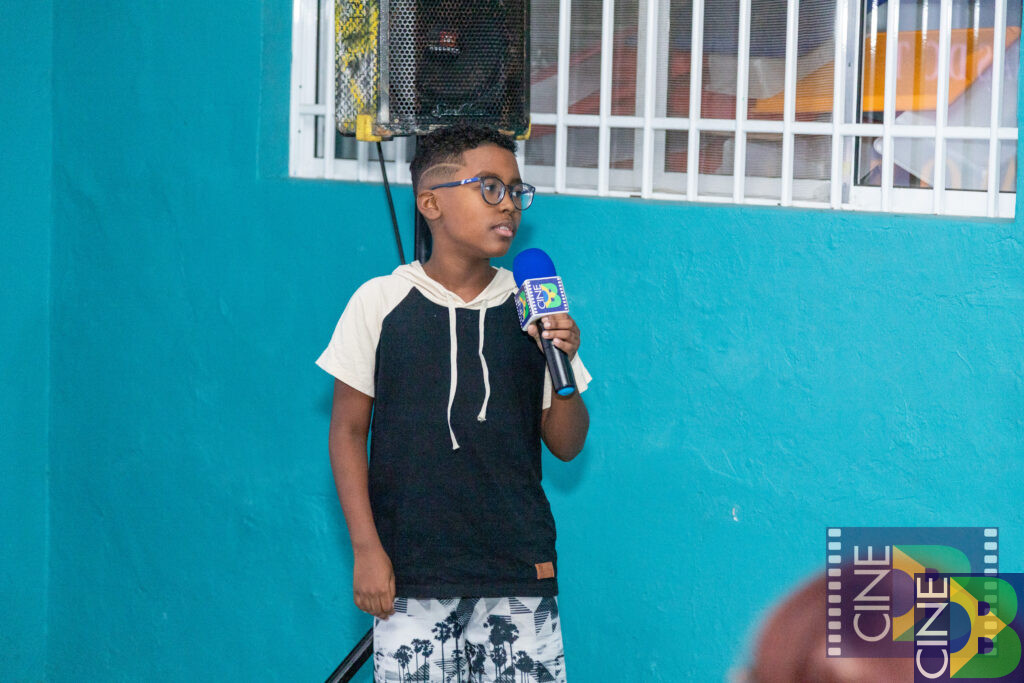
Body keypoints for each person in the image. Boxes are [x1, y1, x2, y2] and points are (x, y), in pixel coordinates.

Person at [316, 123, 592, 682]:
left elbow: (567, 444)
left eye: (516, 190)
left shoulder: (530, 304)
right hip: (412, 573)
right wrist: (367, 550)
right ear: (431, 203)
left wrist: (561, 362)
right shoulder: (380, 302)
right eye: (490, 187)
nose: (508, 204)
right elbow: (346, 432)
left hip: (518, 570)